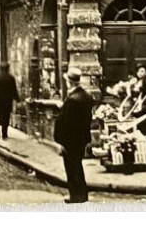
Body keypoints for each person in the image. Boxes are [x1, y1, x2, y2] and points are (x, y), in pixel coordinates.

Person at [53, 66, 93, 204]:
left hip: (71, 141)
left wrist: (62, 142)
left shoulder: (72, 100)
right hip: (81, 139)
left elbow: (67, 124)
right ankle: (82, 195)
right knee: (78, 166)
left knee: (72, 169)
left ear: (69, 82)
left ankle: (76, 196)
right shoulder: (87, 96)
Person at [0, 62, 19, 139]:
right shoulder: (10, 78)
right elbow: (14, 89)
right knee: (6, 115)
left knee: (1, 114)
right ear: (8, 69)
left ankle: (2, 127)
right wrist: (17, 98)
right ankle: (4, 132)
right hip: (7, 99)